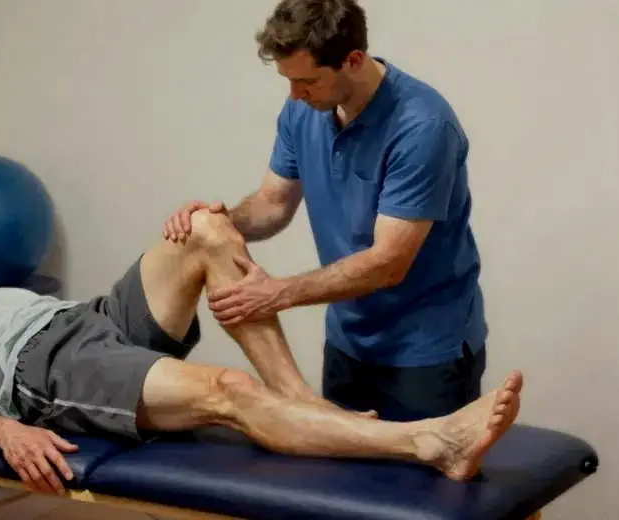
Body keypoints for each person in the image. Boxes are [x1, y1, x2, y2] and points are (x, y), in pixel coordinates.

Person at [0, 209, 521, 496]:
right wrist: (1, 428)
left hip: (88, 319)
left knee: (202, 227)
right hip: (48, 369)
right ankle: (429, 441)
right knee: (226, 392)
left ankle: (301, 406)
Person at [164, 0, 487, 422]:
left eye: (308, 82)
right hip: (348, 342)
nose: (295, 95)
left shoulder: (422, 128)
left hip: (425, 352)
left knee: (417, 484)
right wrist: (216, 221)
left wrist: (276, 294)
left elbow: (388, 264)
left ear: (353, 60)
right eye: (289, 81)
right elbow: (274, 203)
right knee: (340, 479)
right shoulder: (303, 110)